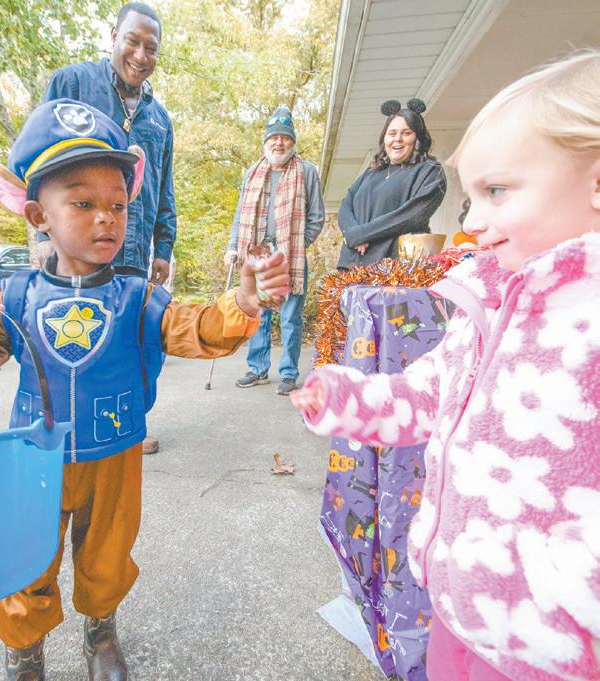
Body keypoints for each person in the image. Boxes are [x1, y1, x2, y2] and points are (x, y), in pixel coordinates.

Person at [0, 99, 289, 681]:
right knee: (26, 556)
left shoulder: (137, 297)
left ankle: (100, 628)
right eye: (83, 203)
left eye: (118, 205)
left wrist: (244, 303)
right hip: (33, 456)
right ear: (38, 215)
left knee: (108, 552)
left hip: (114, 453)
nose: (106, 218)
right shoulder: (15, 295)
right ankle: (24, 645)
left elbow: (197, 327)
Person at [291, 50, 600, 681]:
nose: (474, 220)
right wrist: (347, 398)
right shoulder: (485, 301)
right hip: (456, 610)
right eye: (472, 196)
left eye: (496, 191)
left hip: (549, 650)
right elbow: (426, 392)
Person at [41, 1, 175, 455]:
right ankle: (68, 426)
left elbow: (164, 184)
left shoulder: (159, 118)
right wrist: (42, 237)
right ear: (114, 36)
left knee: (136, 344)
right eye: (133, 42)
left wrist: (164, 246)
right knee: (75, 339)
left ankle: (130, 421)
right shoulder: (72, 84)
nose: (140, 55)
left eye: (151, 48)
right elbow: (40, 165)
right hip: (76, 248)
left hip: (134, 248)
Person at [225, 106, 325, 396]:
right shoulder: (253, 173)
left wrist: (295, 246)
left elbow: (316, 217)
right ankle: (257, 369)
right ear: (266, 141)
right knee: (259, 313)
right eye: (274, 137)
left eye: (285, 137)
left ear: (292, 141)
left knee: (291, 316)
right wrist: (233, 246)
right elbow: (240, 214)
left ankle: (289, 373)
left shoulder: (306, 171)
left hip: (289, 254)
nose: (279, 142)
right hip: (257, 252)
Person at [336, 99, 446, 269]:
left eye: (406, 133)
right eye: (392, 133)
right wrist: (352, 233)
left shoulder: (430, 171)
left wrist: (363, 234)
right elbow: (346, 205)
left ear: (418, 137)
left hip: (393, 269)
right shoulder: (372, 172)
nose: (398, 139)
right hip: (352, 266)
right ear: (384, 138)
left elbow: (412, 215)